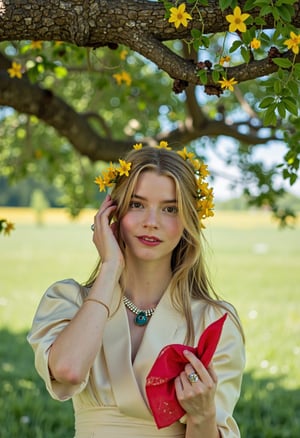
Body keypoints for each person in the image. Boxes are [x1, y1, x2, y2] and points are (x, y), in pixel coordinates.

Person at [28, 143, 245, 438]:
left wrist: (203, 414)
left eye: (170, 209)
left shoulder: (214, 321)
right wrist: (109, 268)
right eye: (137, 204)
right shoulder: (69, 301)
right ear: (111, 213)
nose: (151, 222)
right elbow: (68, 371)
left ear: (189, 221)